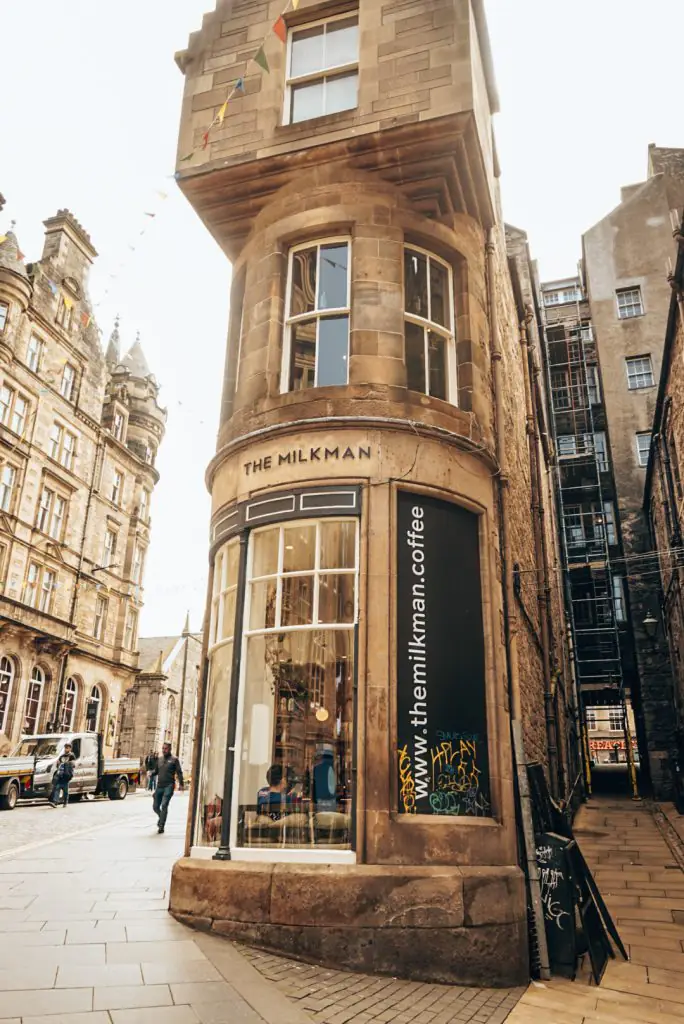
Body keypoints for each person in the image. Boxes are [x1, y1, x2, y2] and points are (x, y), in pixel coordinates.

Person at [152, 742, 184, 833]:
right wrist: (151, 773)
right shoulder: (159, 759)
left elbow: (179, 772)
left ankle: (161, 826)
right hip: (159, 786)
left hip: (169, 786)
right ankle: (161, 817)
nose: (163, 750)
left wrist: (181, 784)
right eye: (162, 748)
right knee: (155, 806)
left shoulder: (174, 760)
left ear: (170, 749)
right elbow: (156, 771)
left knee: (164, 804)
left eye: (165, 748)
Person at [49, 743, 76, 807]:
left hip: (67, 776)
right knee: (57, 788)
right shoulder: (62, 756)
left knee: (65, 791)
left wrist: (69, 763)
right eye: (65, 747)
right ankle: (55, 802)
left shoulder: (72, 756)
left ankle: (65, 802)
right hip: (60, 775)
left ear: (70, 748)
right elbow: (58, 765)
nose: (66, 749)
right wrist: (58, 763)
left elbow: (74, 765)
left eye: (67, 748)